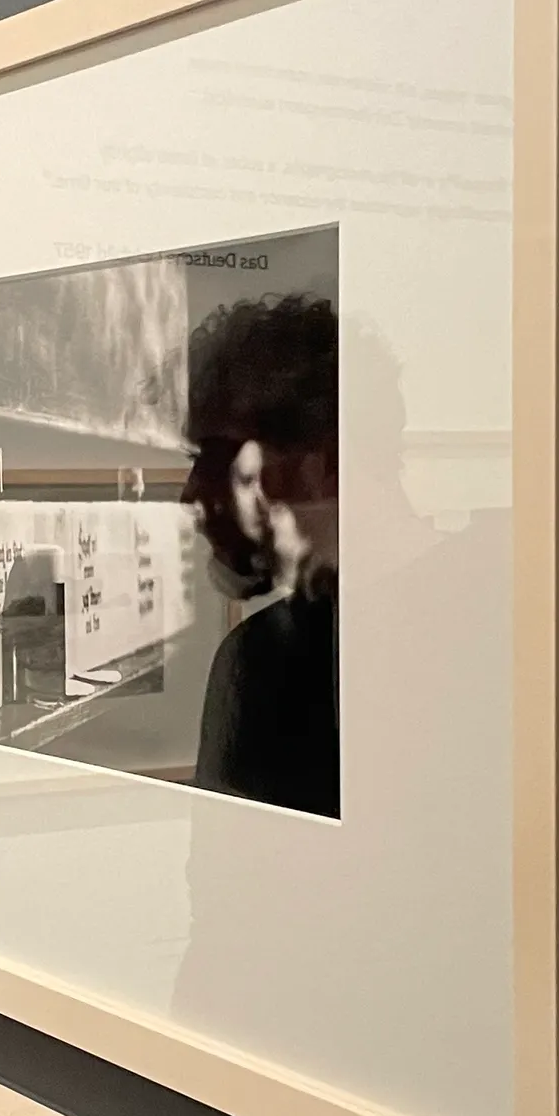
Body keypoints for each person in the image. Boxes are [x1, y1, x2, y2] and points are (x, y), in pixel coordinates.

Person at [179, 291, 341, 817]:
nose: (192, 497)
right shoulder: (496, 614)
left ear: (326, 463)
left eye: (221, 459)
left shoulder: (258, 664)